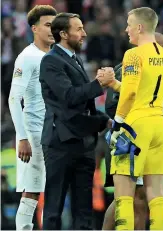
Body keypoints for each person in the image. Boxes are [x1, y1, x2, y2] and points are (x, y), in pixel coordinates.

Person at [97, 7, 163, 230]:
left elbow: (129, 95)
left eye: (129, 24)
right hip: (158, 123)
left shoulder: (133, 54)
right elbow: (142, 92)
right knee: (156, 195)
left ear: (140, 27)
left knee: (124, 196)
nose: (127, 29)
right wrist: (113, 84)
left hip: (135, 126)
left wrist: (119, 123)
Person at [39, 13, 115, 230]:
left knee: (84, 209)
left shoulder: (74, 59)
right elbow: (70, 97)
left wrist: (103, 121)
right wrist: (99, 83)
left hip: (83, 143)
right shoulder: (50, 61)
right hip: (60, 143)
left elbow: (85, 105)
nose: (84, 33)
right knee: (54, 207)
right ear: (63, 34)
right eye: (78, 29)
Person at [8, 5, 57, 230]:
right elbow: (13, 99)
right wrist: (23, 137)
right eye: (47, 25)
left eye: (55, 25)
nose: (52, 30)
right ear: (34, 28)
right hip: (34, 132)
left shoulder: (57, 56)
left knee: (54, 189)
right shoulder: (27, 57)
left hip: (55, 132)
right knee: (33, 190)